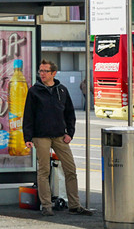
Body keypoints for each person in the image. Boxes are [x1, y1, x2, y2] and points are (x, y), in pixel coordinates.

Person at [23, 60, 93, 217]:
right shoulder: (34, 91)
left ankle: (74, 205)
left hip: (60, 136)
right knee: (44, 171)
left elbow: (70, 114)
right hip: (41, 137)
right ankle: (47, 206)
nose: (42, 74)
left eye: (45, 71)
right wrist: (28, 137)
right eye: (40, 71)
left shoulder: (62, 90)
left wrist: (70, 133)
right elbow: (28, 116)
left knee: (70, 169)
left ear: (53, 73)